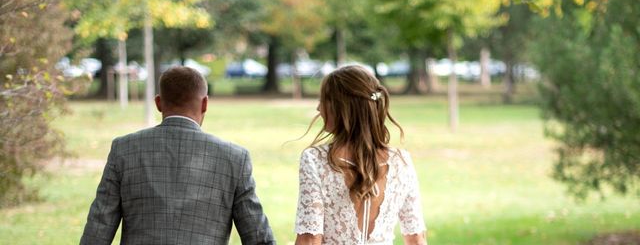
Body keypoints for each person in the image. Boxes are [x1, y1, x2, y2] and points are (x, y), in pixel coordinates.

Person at [80, 66, 275, 245]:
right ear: (205, 104)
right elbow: (258, 237)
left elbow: (98, 229)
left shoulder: (124, 149)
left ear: (158, 102)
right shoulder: (234, 158)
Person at [294, 65, 427, 245]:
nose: (318, 108)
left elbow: (310, 239)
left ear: (342, 107)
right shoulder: (401, 161)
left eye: (324, 100)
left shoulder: (315, 159)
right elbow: (416, 238)